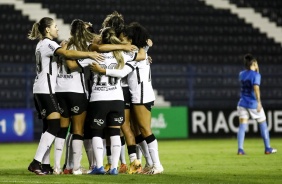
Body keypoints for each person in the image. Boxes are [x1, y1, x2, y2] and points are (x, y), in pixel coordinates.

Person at [26, 17, 103, 175]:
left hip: (42, 89)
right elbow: (68, 54)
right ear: (47, 29)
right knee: (55, 126)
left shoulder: (42, 44)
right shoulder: (49, 44)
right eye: (55, 26)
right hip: (46, 90)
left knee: (48, 127)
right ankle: (36, 162)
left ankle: (46, 165)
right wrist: (89, 55)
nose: (57, 29)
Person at [90, 22, 164, 175]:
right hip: (138, 93)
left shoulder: (134, 54)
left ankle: (157, 165)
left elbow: (122, 73)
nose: (121, 40)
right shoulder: (134, 52)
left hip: (141, 94)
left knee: (145, 130)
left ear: (130, 39)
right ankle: (150, 163)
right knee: (138, 131)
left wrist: (103, 70)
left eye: (123, 37)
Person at [86, 27, 146, 175]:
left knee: (97, 133)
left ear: (102, 39)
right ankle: (114, 168)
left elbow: (81, 56)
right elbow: (141, 56)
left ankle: (99, 166)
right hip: (117, 99)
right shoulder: (123, 55)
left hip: (98, 98)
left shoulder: (94, 54)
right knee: (114, 133)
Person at [53, 19, 99, 175]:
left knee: (62, 129)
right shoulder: (82, 47)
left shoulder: (63, 45)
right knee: (77, 130)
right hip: (76, 91)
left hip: (60, 90)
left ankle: (58, 167)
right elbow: (72, 66)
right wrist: (89, 58)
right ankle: (76, 167)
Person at [237, 54, 277, 155]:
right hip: (253, 103)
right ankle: (268, 148)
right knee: (263, 123)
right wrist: (259, 102)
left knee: (242, 126)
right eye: (256, 64)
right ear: (254, 64)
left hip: (242, 103)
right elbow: (256, 88)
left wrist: (256, 72)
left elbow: (248, 79)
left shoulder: (241, 74)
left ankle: (240, 149)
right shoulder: (256, 75)